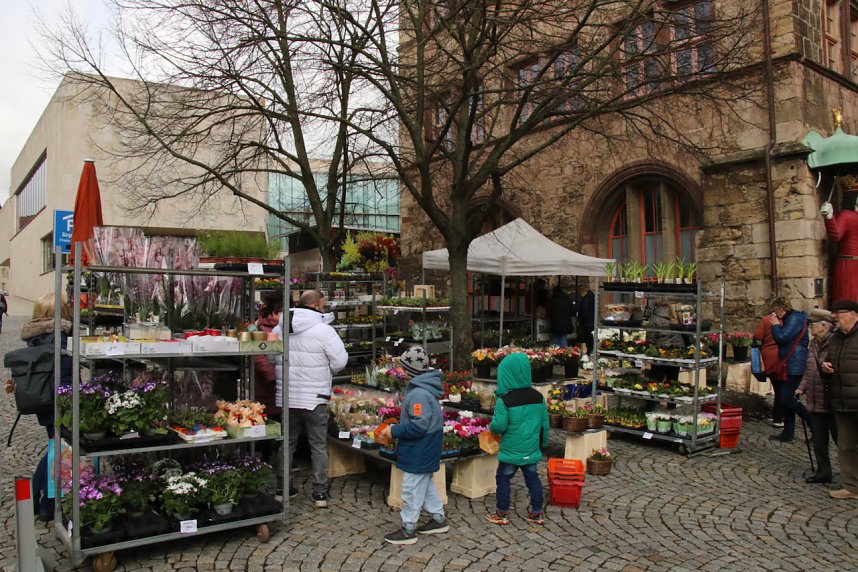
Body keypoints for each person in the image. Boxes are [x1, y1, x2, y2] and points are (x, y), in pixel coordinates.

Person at [274, 289, 348, 507]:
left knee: (286, 444)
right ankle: (319, 493)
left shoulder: (281, 328)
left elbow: (271, 358)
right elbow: (340, 361)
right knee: (317, 444)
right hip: (314, 397)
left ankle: (282, 488)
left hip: (287, 396)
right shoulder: (323, 330)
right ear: (316, 305)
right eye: (323, 304)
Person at [380, 346, 448, 545]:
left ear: (409, 370)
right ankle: (438, 518)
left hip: (420, 447)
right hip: (427, 445)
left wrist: (394, 431)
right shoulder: (424, 388)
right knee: (425, 483)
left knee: (411, 486)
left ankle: (408, 528)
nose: (399, 371)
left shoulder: (418, 394)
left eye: (401, 367)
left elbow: (419, 426)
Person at [22, 292, 73, 521]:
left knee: (55, 448)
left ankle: (33, 499)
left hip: (43, 401)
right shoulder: (58, 337)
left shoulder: (36, 337)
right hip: (58, 402)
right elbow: (63, 376)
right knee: (60, 450)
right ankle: (46, 504)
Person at [486, 352, 550, 526]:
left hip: (511, 449)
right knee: (532, 478)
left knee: (503, 478)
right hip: (531, 448)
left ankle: (502, 513)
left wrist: (490, 428)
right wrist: (543, 444)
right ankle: (537, 512)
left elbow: (499, 426)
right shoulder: (538, 397)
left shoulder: (505, 400)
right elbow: (545, 424)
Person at [821, 298, 858, 499]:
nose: (834, 317)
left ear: (853, 314)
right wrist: (824, 367)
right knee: (846, 446)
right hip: (841, 400)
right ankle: (852, 486)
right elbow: (828, 361)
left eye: (839, 313)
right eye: (833, 313)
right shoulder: (834, 338)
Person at [796, 308, 838, 484]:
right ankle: (823, 472)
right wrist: (801, 388)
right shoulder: (813, 343)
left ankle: (852, 474)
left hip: (832, 400)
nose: (809, 328)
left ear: (824, 325)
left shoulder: (836, 342)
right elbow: (809, 370)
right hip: (815, 400)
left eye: (812, 325)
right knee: (819, 441)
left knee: (842, 440)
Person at [768, 297, 812, 443]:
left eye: (775, 311)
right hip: (791, 364)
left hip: (795, 364)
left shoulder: (794, 319)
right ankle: (788, 432)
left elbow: (782, 337)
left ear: (781, 308)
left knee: (786, 397)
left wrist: (775, 326)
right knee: (786, 398)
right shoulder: (792, 319)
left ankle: (814, 425)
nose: (775, 315)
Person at [254, 290, 284, 466]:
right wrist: (273, 376)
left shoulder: (286, 327)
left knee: (280, 421)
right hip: (268, 385)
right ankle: (265, 457)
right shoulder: (260, 329)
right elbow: (258, 357)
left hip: (281, 383)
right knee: (266, 420)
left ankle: (280, 458)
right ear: (273, 312)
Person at [820, 187, 858, 302]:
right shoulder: (846, 215)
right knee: (848, 299)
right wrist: (829, 217)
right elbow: (836, 235)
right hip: (849, 264)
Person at [754, 310, 785, 429]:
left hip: (770, 357)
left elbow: (758, 335)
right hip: (784, 357)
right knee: (783, 387)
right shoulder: (788, 320)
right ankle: (781, 417)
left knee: (778, 389)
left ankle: (778, 418)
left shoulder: (766, 319)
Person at [577, 289, 595, 355]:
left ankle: (589, 352)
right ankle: (590, 351)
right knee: (590, 338)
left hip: (586, 322)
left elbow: (584, 310)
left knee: (587, 338)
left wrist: (580, 319)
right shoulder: (592, 297)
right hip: (591, 321)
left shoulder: (586, 299)